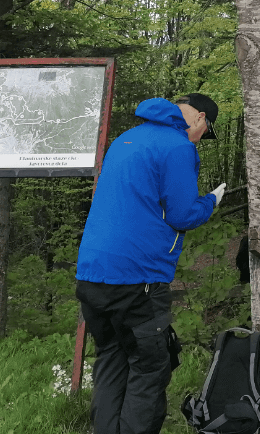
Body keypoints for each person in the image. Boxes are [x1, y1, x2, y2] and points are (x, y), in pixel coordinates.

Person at [76, 93, 227, 434]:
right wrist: (212, 201)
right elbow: (183, 214)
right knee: (149, 368)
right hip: (137, 278)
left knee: (112, 360)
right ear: (200, 118)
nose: (201, 138)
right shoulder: (177, 146)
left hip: (92, 273)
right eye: (206, 131)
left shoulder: (126, 138)